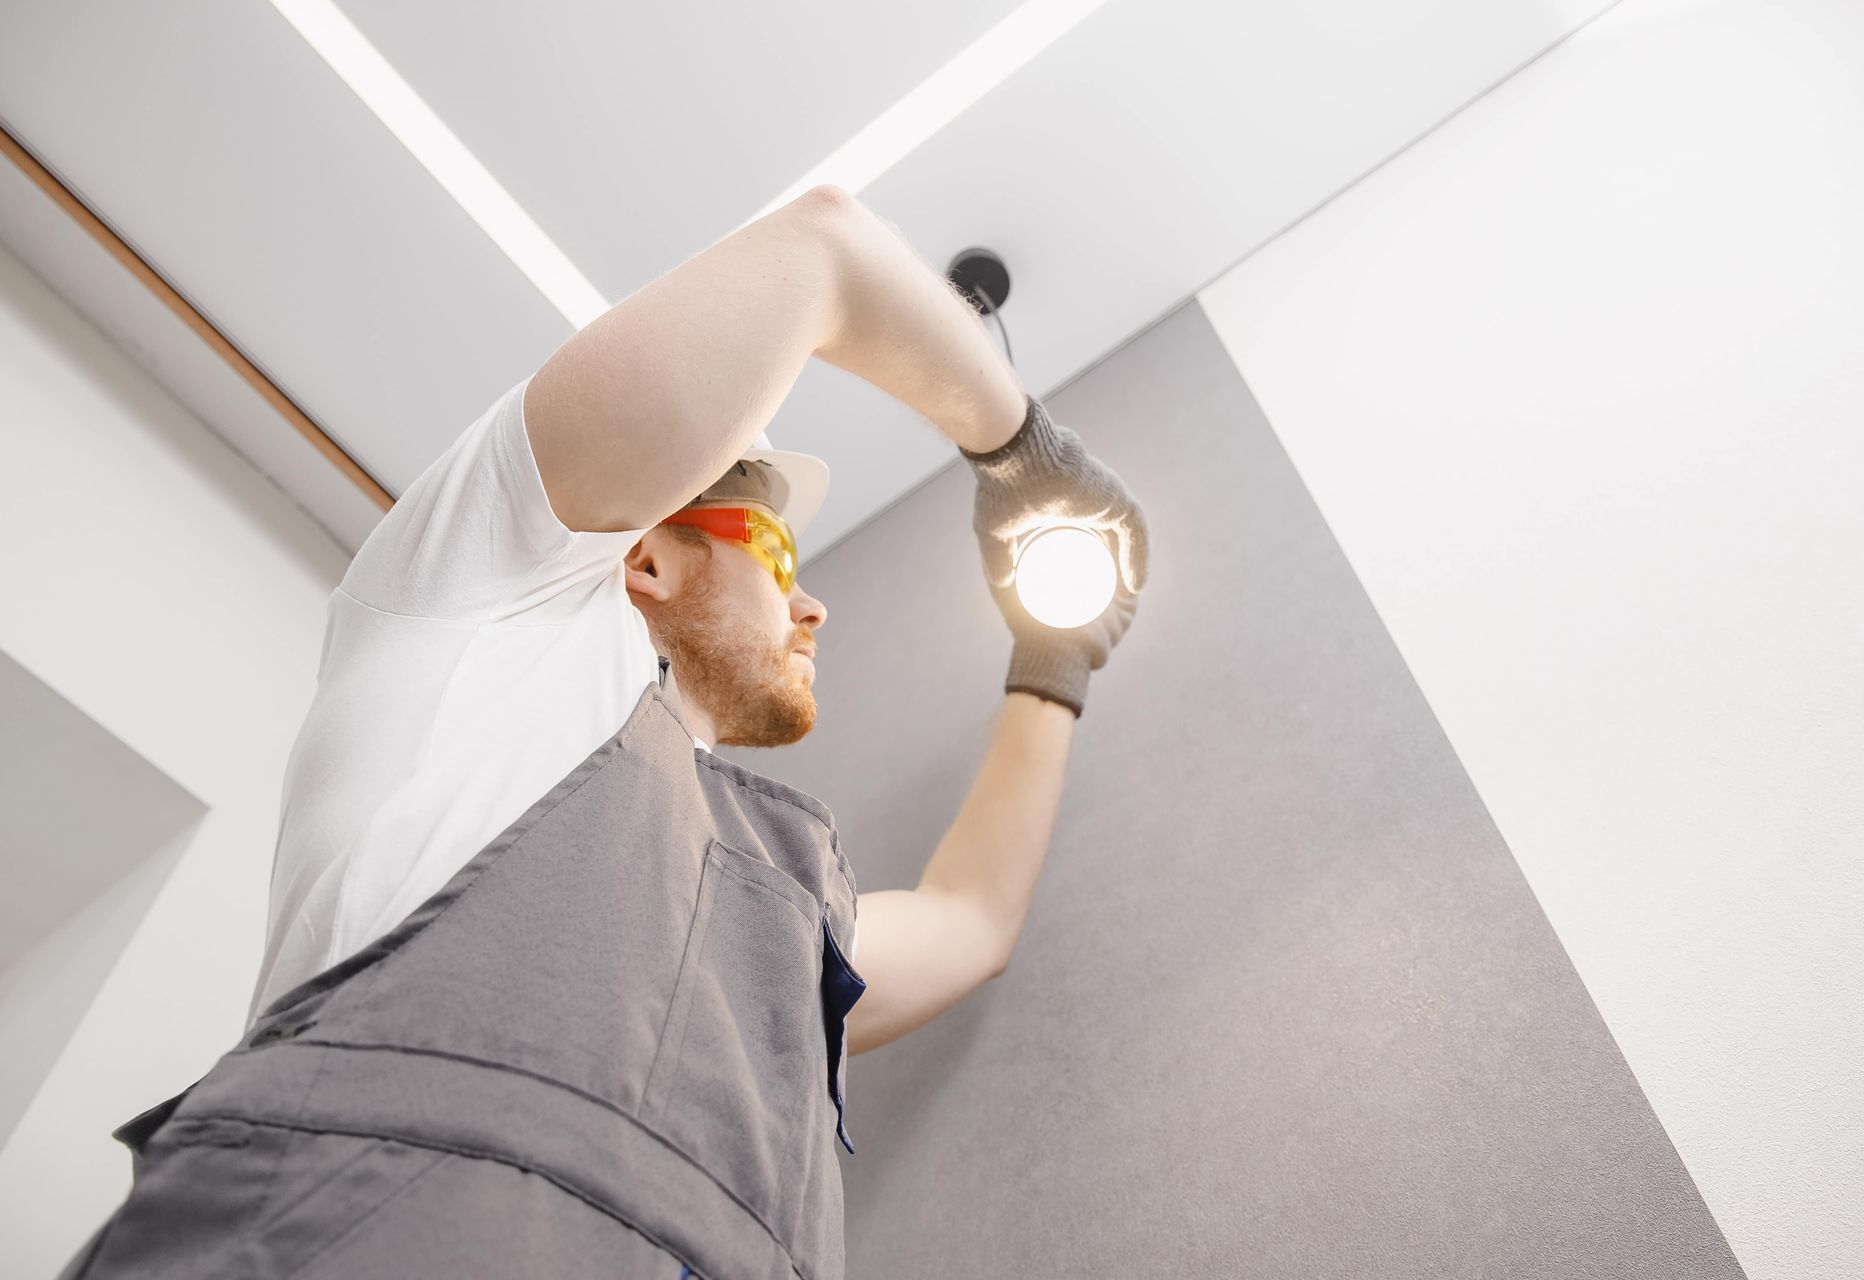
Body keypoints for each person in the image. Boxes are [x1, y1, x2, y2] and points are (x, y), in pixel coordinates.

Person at [58, 184, 1149, 1280]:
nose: (814, 606)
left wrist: (1053, 658)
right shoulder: (485, 603)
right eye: (778, 558)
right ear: (648, 554)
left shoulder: (773, 930)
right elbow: (825, 247)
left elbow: (973, 920)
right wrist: (1026, 457)